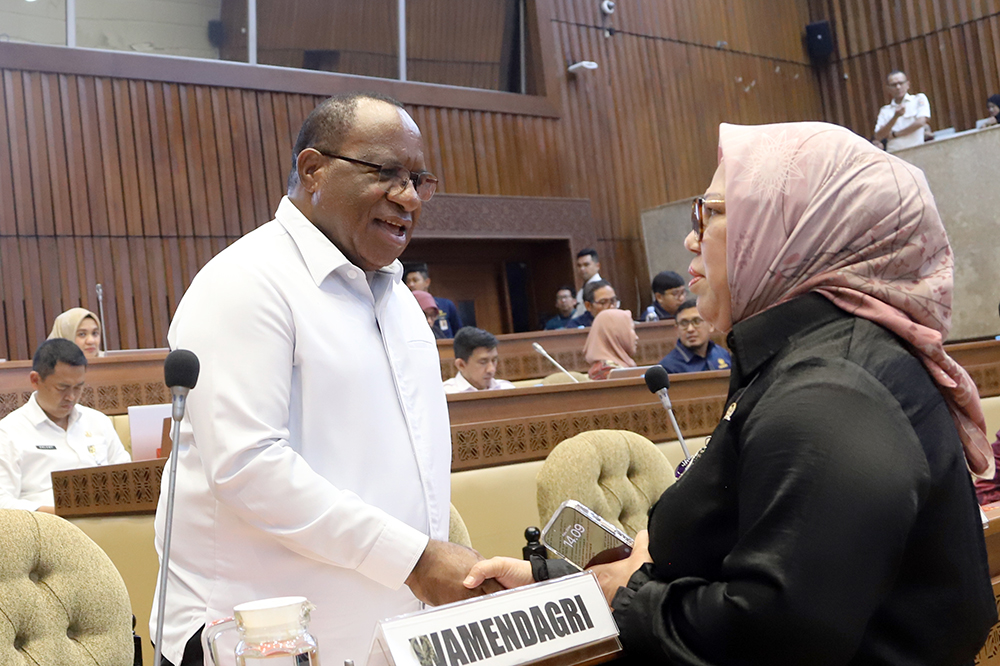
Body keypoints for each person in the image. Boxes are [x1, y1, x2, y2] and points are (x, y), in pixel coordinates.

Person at [464, 121, 997, 665]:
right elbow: (727, 546)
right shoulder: (806, 356)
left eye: (711, 213)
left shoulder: (830, 393)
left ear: (795, 230)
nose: (691, 237)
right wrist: (551, 581)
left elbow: (775, 635)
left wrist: (624, 600)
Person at [151, 92, 496, 666]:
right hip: (254, 639)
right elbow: (249, 464)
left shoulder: (400, 299)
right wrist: (414, 560)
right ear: (313, 170)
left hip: (387, 634)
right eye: (385, 172)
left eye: (418, 179)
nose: (408, 196)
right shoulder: (246, 281)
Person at [0, 339, 130, 513]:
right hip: (46, 528)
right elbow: (3, 503)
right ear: (35, 380)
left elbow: (127, 479)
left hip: (109, 521)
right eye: (62, 388)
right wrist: (60, 514)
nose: (71, 397)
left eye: (78, 388)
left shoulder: (98, 421)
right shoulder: (9, 432)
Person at [658, 298, 731, 373]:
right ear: (677, 329)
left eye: (696, 321)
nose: (690, 329)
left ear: (711, 325)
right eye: (684, 323)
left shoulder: (722, 354)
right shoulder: (668, 367)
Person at [442, 327, 515, 393]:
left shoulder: (507, 389)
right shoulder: (445, 394)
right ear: (461, 365)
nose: (491, 369)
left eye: (494, 360)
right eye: (483, 362)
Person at [874, 70, 931, 152]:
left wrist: (895, 134)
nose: (898, 87)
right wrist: (895, 117)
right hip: (895, 154)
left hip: (917, 150)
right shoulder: (885, 110)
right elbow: (878, 136)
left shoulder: (918, 99)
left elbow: (921, 122)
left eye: (901, 83)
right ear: (888, 88)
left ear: (907, 84)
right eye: (894, 85)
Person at [403, 263, 462, 338]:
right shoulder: (405, 306)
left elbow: (458, 331)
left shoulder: (445, 304)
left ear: (427, 282)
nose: (411, 284)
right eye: (408, 281)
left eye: (415, 280)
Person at [583, 309, 637, 380]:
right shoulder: (610, 373)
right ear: (616, 334)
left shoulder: (612, 369)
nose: (636, 337)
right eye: (631, 329)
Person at [572, 249, 603, 317]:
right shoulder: (583, 289)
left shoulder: (602, 289)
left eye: (586, 265)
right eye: (579, 265)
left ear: (597, 266)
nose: (582, 269)